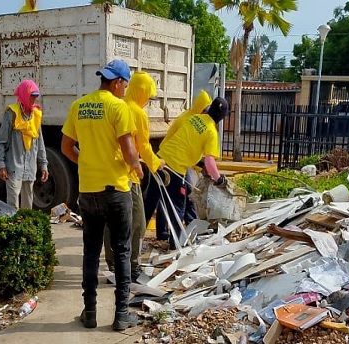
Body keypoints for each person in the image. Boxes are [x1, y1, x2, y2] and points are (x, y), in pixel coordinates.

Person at [61, 59, 143, 331]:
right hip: (116, 190)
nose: (125, 90)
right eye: (126, 85)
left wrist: (86, 162)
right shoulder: (118, 107)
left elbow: (66, 147)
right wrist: (137, 167)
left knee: (91, 252)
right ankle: (121, 315)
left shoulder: (79, 106)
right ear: (118, 82)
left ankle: (91, 312)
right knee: (121, 251)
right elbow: (129, 150)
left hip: (88, 192)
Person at [144, 97, 230, 249]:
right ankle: (176, 244)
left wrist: (200, 164)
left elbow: (187, 145)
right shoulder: (211, 132)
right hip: (175, 169)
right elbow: (210, 162)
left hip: (160, 160)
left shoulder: (196, 118)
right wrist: (219, 179)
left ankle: (132, 241)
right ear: (222, 117)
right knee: (177, 208)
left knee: (149, 204)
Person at [103, 71, 164, 282]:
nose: (148, 101)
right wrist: (156, 163)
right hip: (129, 175)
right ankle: (132, 265)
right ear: (142, 92)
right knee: (137, 222)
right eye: (148, 96)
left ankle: (112, 261)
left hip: (110, 174)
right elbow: (143, 147)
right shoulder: (137, 113)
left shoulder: (116, 105)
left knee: (112, 221)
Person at [0, 79, 48, 210]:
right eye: (31, 96)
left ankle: (25, 229)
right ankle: (13, 229)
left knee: (28, 203)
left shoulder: (36, 115)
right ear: (24, 95)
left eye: (35, 96)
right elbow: (0, 141)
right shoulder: (12, 113)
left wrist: (44, 164)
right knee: (12, 205)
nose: (34, 100)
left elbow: (40, 142)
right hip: (13, 167)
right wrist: (1, 165)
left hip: (30, 167)